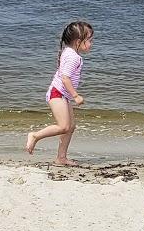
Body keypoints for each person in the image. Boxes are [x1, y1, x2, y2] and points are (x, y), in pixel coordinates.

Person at [24, 21, 94, 166]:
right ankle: (35, 135)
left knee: (70, 126)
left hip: (62, 95)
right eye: (89, 40)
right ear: (78, 41)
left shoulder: (70, 53)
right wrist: (75, 95)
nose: (91, 43)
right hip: (57, 94)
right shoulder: (73, 57)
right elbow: (65, 77)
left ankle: (61, 157)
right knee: (63, 126)